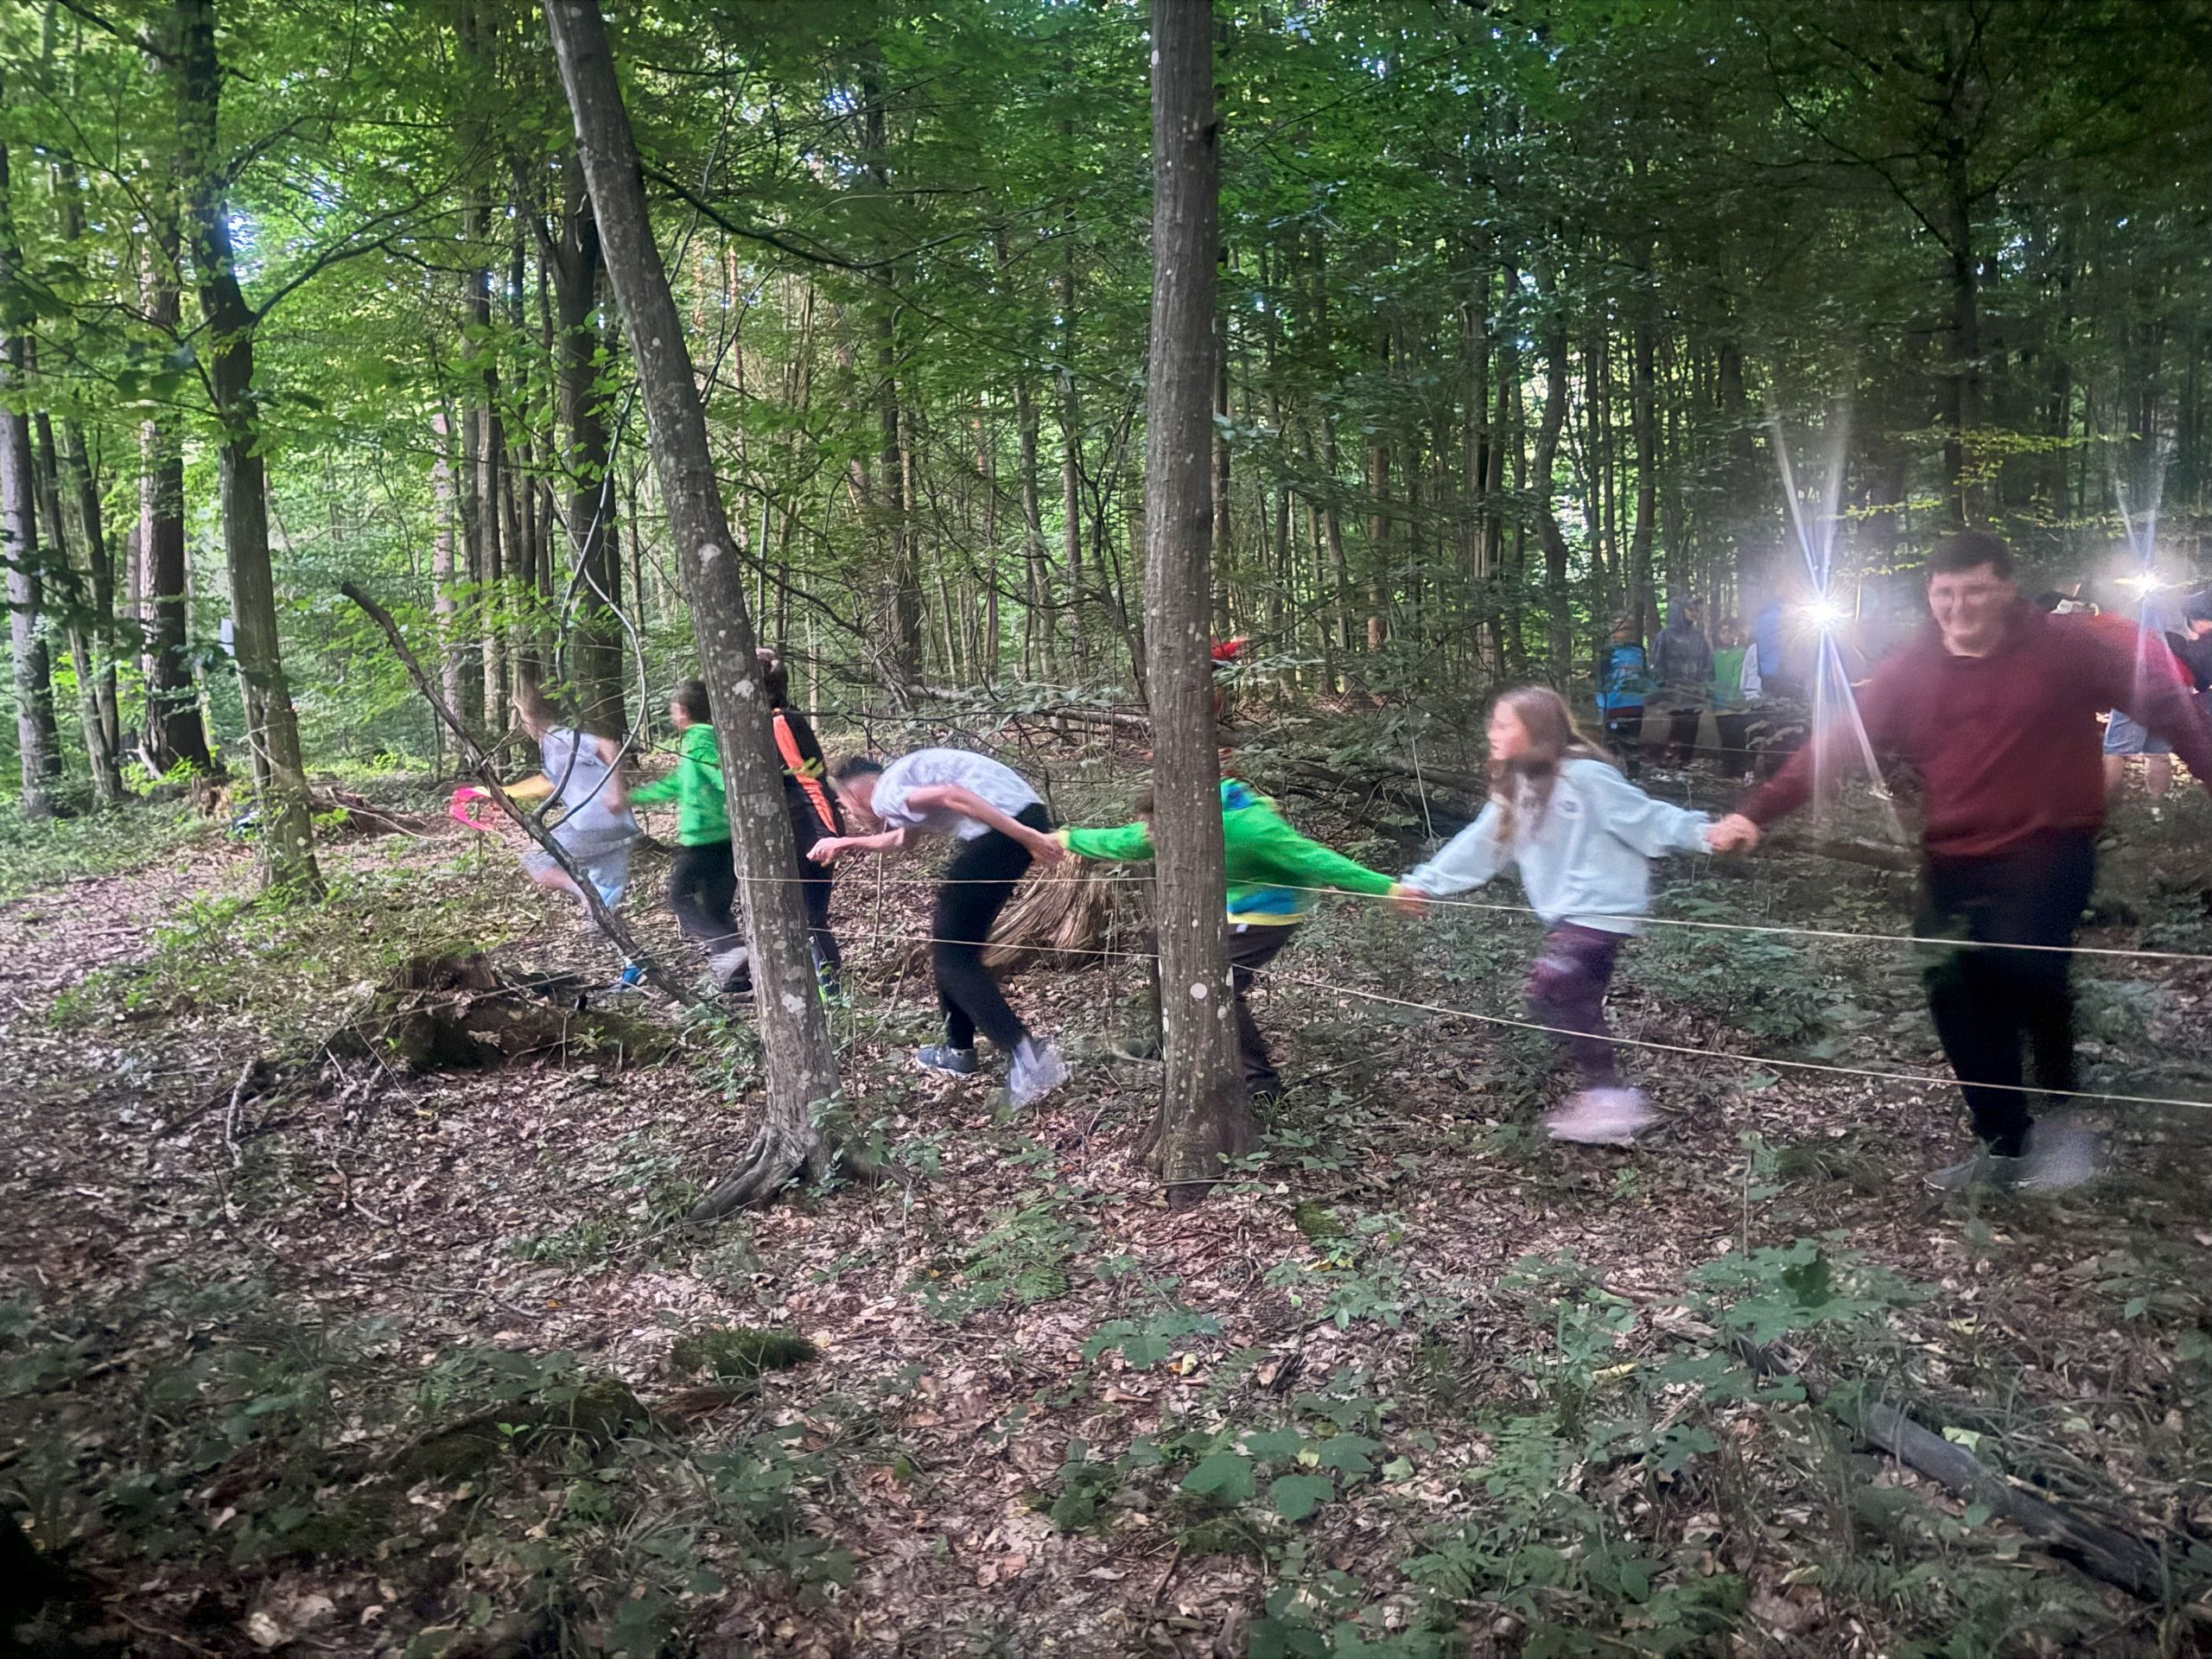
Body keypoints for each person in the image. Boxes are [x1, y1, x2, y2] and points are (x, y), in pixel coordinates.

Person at [1710, 530, 2212, 1192]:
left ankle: (2061, 1114)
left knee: (2026, 967)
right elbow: (1838, 745)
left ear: (2006, 587)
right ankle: (2004, 1144)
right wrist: (1755, 812)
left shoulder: (2067, 647)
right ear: (1930, 595)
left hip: (2049, 847)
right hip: (1953, 856)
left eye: (1974, 591)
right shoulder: (1912, 669)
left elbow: (2169, 706)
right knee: (1952, 988)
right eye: (1945, 593)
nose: (1959, 606)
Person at [1400, 686, 1726, 1145]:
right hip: (1569, 917)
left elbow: (1647, 818)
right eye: (1493, 723)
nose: (1492, 732)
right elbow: (1478, 846)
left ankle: (1609, 1100)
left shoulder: (1585, 776)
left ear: (1535, 729)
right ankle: (1607, 1099)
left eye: (1504, 724)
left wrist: (1705, 833)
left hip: (1601, 910)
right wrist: (1425, 883)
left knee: (1552, 984)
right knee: (1564, 1000)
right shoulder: (1517, 788)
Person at [1058, 778, 1427, 1103]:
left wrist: (1387, 889)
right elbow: (1125, 840)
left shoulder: (1251, 828)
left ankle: (1260, 1084)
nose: (1148, 832)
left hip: (1271, 911)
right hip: (1228, 908)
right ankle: (1168, 1038)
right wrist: (1064, 840)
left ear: (1179, 815)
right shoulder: (1180, 822)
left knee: (1218, 982)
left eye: (1153, 825)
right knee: (1162, 945)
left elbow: (1316, 860)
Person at [811, 748, 1071, 1106]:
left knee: (953, 959)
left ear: (855, 794)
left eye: (844, 806)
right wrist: (846, 843)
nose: (850, 816)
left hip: (1002, 831)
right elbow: (901, 841)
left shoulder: (885, 792)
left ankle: (1029, 1059)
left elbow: (953, 795)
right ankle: (959, 1050)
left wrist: (1027, 837)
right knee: (952, 951)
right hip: (1017, 818)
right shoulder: (900, 783)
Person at [629, 681, 748, 994]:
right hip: (725, 840)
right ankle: (736, 982)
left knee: (679, 899)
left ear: (683, 711)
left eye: (673, 710)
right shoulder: (707, 740)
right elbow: (677, 784)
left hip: (701, 842)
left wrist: (734, 790)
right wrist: (632, 798)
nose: (672, 716)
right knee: (715, 910)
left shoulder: (699, 739)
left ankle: (729, 950)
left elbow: (722, 777)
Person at [508, 675, 639, 912]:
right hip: (619, 824)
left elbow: (609, 746)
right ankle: (601, 914)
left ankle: (584, 891)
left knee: (536, 861)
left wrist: (617, 793)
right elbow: (548, 783)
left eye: (523, 719)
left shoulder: (559, 738)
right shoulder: (553, 746)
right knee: (606, 896)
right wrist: (504, 793)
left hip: (594, 821)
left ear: (529, 719)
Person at [758, 651, 846, 998]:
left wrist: (827, 836)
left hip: (811, 831)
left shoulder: (781, 721)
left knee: (811, 916)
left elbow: (810, 782)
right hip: (794, 830)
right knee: (798, 916)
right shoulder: (769, 721)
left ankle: (833, 994)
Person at [1651, 599, 1713, 768]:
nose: (1694, 612)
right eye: (1690, 609)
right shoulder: (1665, 636)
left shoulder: (1698, 637)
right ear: (1679, 611)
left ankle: (1684, 764)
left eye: (1696, 609)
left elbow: (1706, 664)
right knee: (1675, 729)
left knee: (1691, 730)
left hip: (1693, 694)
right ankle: (1666, 764)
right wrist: (1663, 689)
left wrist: (1704, 687)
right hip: (1673, 694)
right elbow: (1657, 664)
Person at [1593, 616, 1652, 779]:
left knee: (1632, 743)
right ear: (1613, 631)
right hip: (1613, 705)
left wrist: (1646, 694)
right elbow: (1601, 679)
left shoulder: (1638, 650)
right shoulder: (1608, 652)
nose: (1624, 632)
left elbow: (1644, 675)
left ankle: (1634, 777)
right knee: (1612, 743)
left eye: (1627, 628)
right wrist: (1601, 704)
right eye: (1620, 628)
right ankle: (1609, 777)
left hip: (1635, 705)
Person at [1710, 617, 1762, 784]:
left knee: (1737, 737)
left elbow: (1739, 677)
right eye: (1723, 632)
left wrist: (1733, 696)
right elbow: (1710, 676)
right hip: (1718, 704)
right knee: (1725, 737)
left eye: (1730, 632)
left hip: (1736, 704)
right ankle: (1728, 768)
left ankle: (1739, 768)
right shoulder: (1714, 656)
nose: (1726, 635)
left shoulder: (1741, 653)